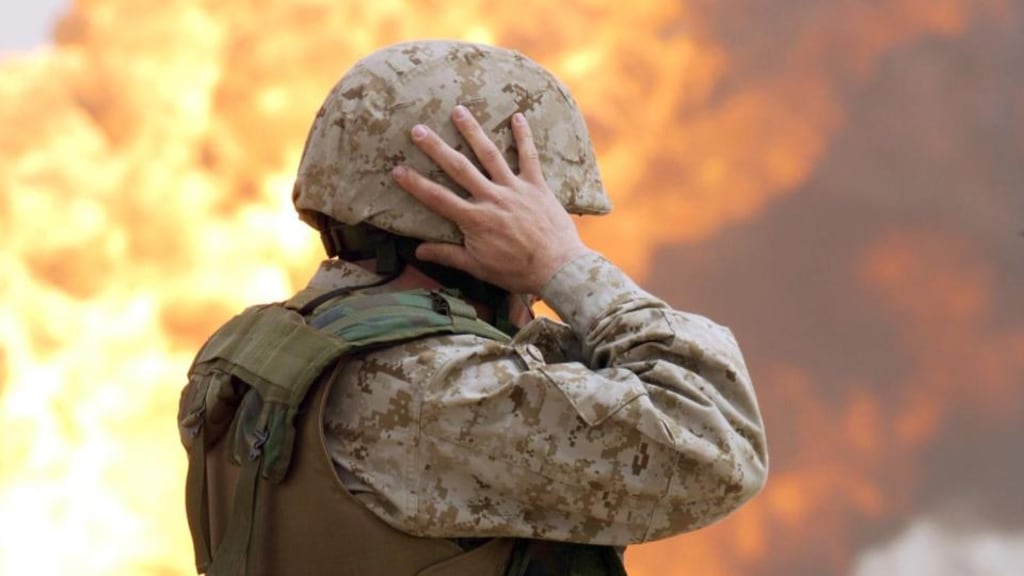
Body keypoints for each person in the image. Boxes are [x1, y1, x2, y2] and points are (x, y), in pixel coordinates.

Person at [178, 40, 768, 576]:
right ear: (480, 223)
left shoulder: (259, 352)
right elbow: (720, 444)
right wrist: (561, 263)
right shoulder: (433, 392)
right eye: (544, 216)